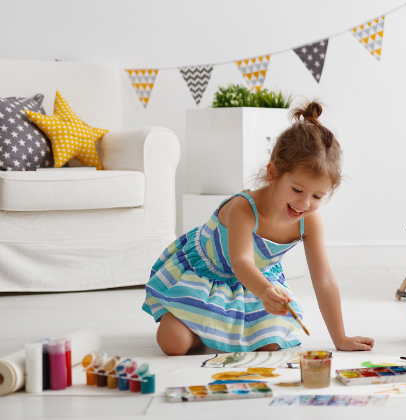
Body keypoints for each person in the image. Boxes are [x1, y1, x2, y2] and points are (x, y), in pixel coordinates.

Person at [143, 100, 373, 355]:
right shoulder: (244, 208)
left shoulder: (308, 220)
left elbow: (324, 279)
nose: (304, 203)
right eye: (297, 190)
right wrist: (265, 291)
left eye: (317, 196)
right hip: (206, 277)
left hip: (253, 286)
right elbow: (241, 262)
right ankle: (199, 331)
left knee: (271, 343)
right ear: (273, 173)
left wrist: (340, 338)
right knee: (173, 344)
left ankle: (217, 330)